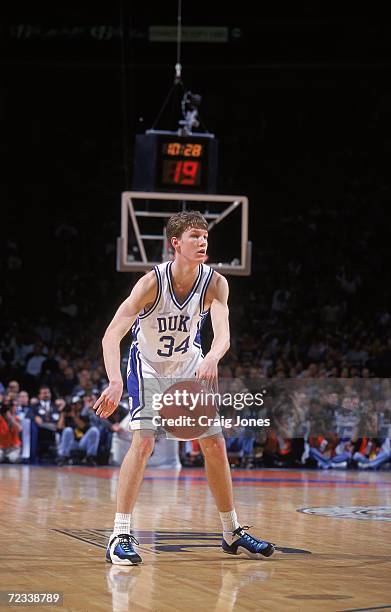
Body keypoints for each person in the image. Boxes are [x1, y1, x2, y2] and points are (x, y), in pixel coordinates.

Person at [94, 210, 275, 565]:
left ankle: (231, 531)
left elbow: (223, 332)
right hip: (147, 366)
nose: (202, 241)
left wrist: (213, 356)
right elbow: (111, 334)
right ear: (175, 243)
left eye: (205, 236)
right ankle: (119, 533)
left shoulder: (215, 283)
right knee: (144, 441)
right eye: (194, 236)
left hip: (189, 365)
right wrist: (115, 380)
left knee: (215, 444)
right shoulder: (151, 283)